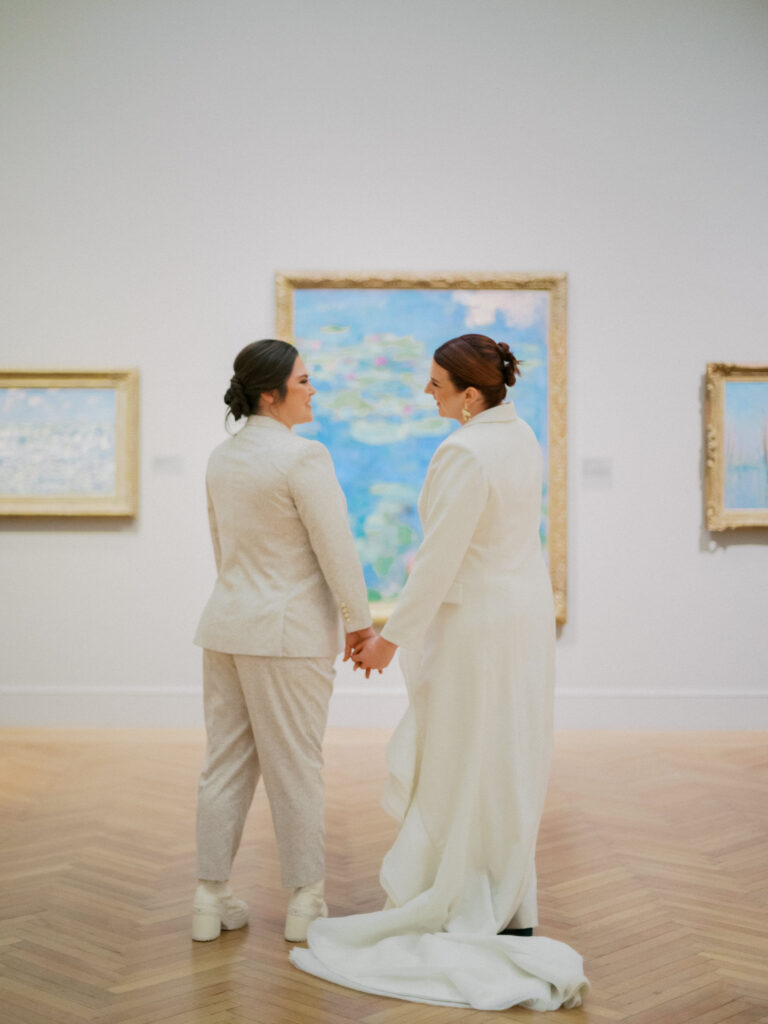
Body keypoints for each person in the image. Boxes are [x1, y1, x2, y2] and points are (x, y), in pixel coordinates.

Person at [291, 334, 588, 1011]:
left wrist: (391, 640)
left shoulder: (463, 451)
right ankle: (508, 895)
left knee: (461, 756)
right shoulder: (521, 438)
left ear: (470, 395)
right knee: (503, 753)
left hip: (475, 627)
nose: (427, 393)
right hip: (518, 619)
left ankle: (459, 888)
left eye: (436, 384)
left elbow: (442, 555)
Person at [191, 339, 374, 944]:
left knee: (223, 765)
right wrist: (360, 623)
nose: (312, 388)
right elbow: (337, 549)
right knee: (296, 768)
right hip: (287, 634)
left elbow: (224, 551)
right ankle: (306, 903)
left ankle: (209, 898)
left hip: (226, 624)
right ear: (271, 394)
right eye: (303, 380)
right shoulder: (303, 458)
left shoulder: (223, 457)